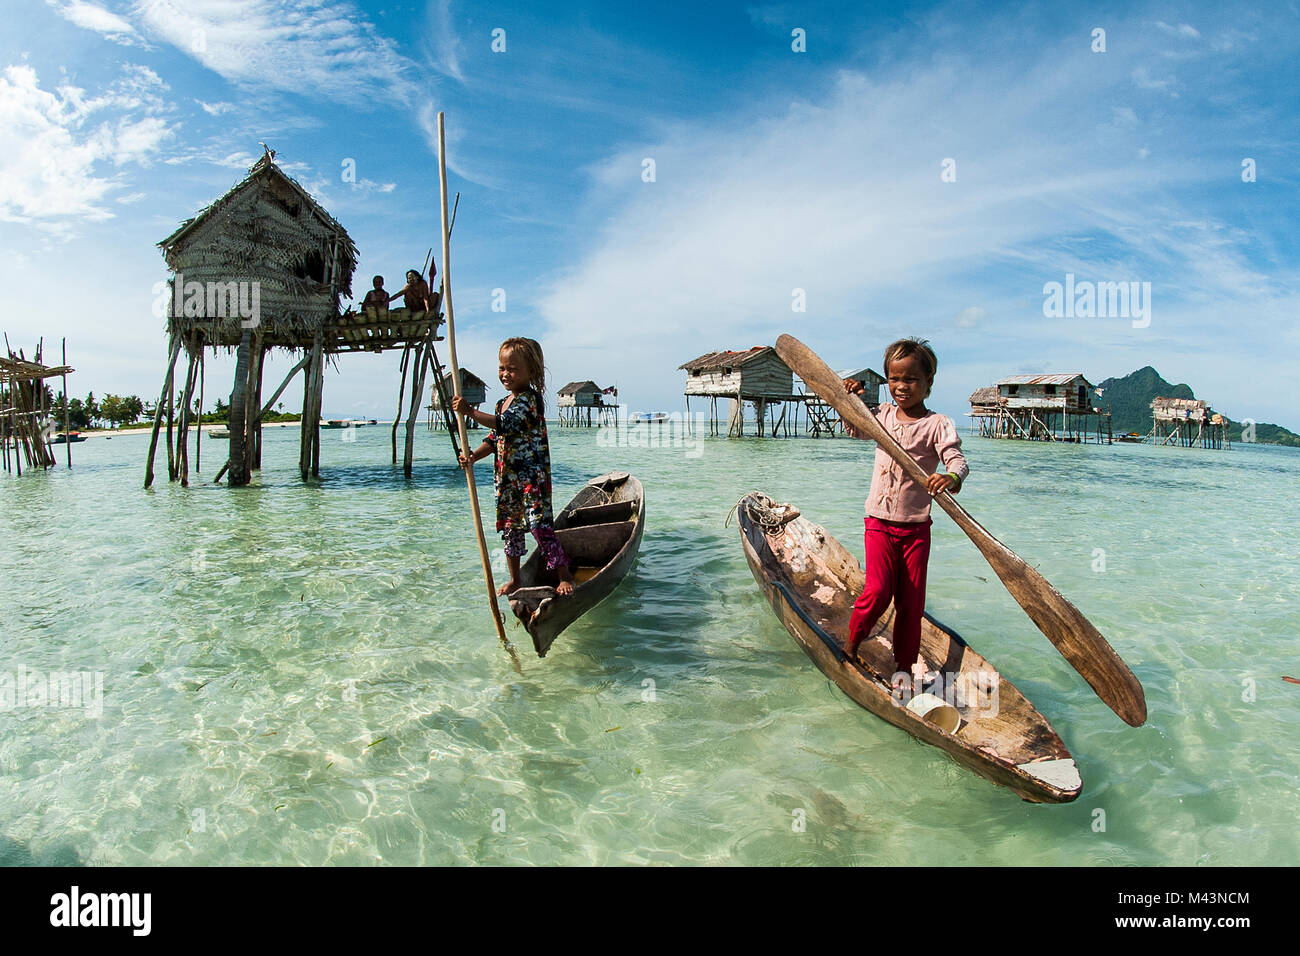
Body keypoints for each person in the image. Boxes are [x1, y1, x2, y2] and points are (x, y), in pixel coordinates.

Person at [842, 337, 968, 693]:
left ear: (929, 383)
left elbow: (956, 460)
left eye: (911, 379)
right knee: (879, 589)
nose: (901, 386)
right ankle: (850, 644)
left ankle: (904, 669)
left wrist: (952, 477)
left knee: (912, 604)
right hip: (878, 523)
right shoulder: (879, 415)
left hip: (915, 530)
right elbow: (854, 429)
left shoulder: (937, 424)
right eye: (895, 379)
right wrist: (850, 400)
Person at [452, 337, 575, 597]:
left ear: (531, 372)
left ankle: (564, 576)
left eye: (512, 369)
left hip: (531, 480)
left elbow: (503, 424)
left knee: (539, 528)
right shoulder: (501, 403)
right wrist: (473, 456)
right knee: (511, 531)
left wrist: (469, 411)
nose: (505, 374)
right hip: (507, 482)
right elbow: (494, 439)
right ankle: (515, 579)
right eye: (501, 368)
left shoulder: (529, 401)